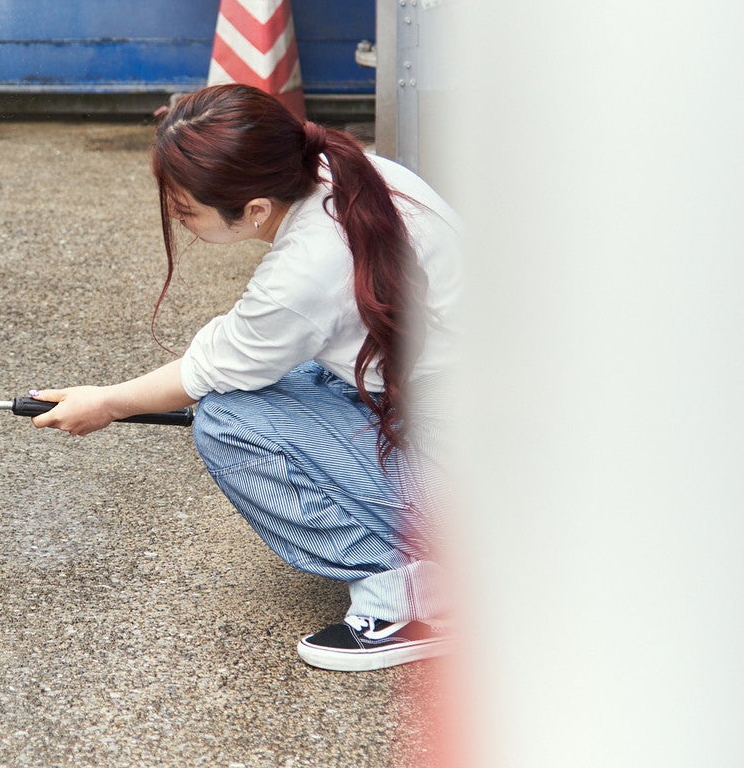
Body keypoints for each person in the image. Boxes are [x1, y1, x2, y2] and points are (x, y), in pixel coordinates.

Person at [30, 83, 460, 672]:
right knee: (279, 379)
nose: (180, 223)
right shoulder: (345, 169)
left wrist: (106, 403)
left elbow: (210, 369)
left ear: (255, 208)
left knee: (230, 418)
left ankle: (424, 601)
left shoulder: (305, 273)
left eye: (187, 212)